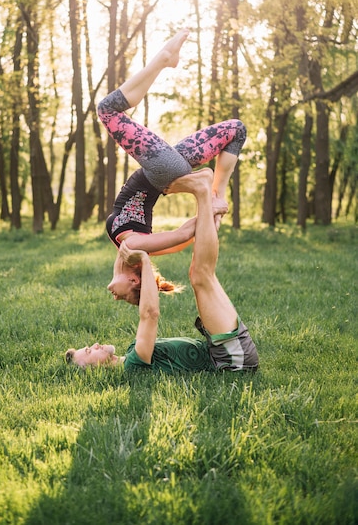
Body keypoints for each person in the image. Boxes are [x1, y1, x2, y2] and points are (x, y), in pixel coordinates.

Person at [98, 28, 247, 304]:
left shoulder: (129, 248)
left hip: (165, 168)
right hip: (161, 171)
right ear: (133, 280)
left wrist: (212, 214)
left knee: (236, 131)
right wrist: (209, 213)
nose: (115, 298)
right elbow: (182, 234)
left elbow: (184, 240)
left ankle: (217, 195)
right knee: (107, 110)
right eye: (124, 297)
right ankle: (164, 58)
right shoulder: (132, 247)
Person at [65, 168, 258, 373]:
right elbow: (150, 313)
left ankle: (207, 196)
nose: (94, 345)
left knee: (200, 275)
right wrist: (144, 261)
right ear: (94, 370)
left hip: (222, 350)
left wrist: (210, 216)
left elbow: (126, 257)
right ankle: (202, 191)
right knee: (201, 276)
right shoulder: (133, 365)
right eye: (88, 352)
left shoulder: (133, 351)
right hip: (231, 360)